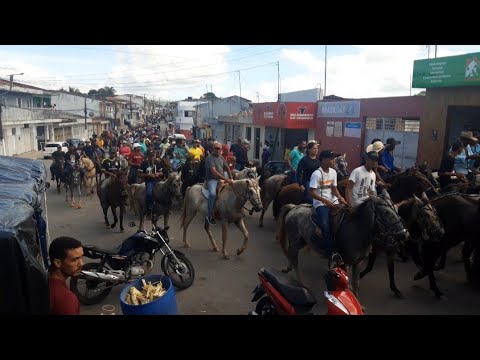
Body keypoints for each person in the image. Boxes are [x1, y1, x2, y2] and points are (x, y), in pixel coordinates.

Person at [309, 150, 346, 256]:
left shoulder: (333, 172)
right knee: (325, 225)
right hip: (320, 203)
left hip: (333, 200)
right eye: (332, 159)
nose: (334, 161)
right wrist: (326, 201)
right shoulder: (317, 174)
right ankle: (329, 252)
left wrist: (340, 197)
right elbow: (311, 192)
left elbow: (334, 188)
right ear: (324, 160)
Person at [48, 236, 84, 315]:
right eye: (74, 260)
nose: (81, 264)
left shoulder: (46, 278)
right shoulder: (66, 299)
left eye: (81, 257)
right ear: (57, 263)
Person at [205, 141, 234, 225]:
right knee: (213, 194)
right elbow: (214, 172)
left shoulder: (221, 157)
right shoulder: (209, 158)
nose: (218, 150)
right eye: (216, 148)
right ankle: (209, 215)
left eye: (219, 149)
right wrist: (227, 179)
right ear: (213, 149)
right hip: (212, 179)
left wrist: (231, 178)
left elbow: (227, 167)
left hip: (221, 179)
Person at [139, 151, 164, 217]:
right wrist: (148, 175)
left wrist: (158, 173)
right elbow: (139, 174)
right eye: (151, 156)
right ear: (148, 156)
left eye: (153, 156)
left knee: (164, 192)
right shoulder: (144, 163)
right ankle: (149, 209)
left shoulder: (157, 162)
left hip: (157, 181)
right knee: (149, 193)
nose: (152, 157)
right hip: (149, 181)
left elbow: (161, 173)